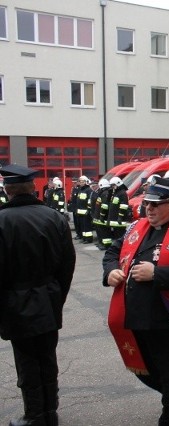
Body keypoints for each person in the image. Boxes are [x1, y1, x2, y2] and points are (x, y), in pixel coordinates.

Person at [102, 177, 169, 425]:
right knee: (146, 370)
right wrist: (111, 271)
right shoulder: (135, 228)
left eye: (155, 204)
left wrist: (157, 274)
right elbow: (111, 252)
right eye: (147, 203)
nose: (148, 208)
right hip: (134, 316)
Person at [0, 164, 76, 426]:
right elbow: (67, 265)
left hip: (14, 301)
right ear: (33, 188)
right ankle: (49, 411)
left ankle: (35, 415)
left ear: (7, 190)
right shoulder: (54, 217)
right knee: (46, 356)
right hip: (48, 296)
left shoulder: (2, 220)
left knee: (27, 360)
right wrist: (58, 295)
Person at [107, 176, 130, 241]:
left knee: (120, 236)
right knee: (116, 236)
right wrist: (109, 193)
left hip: (120, 220)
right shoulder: (116, 193)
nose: (112, 187)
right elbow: (110, 203)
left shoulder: (122, 193)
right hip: (115, 219)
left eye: (113, 185)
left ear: (118, 184)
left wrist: (120, 217)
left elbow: (123, 206)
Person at [92, 178, 113, 250]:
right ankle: (102, 243)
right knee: (101, 231)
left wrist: (102, 216)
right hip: (99, 216)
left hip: (103, 217)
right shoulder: (102, 193)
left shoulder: (105, 193)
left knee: (105, 232)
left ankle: (106, 245)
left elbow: (104, 206)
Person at [76, 176, 94, 243]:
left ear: (86, 182)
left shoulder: (88, 190)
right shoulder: (81, 190)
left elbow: (89, 201)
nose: (81, 183)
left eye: (82, 181)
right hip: (80, 212)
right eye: (80, 181)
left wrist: (88, 210)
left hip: (86, 212)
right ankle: (84, 238)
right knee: (82, 226)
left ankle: (89, 239)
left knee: (87, 226)